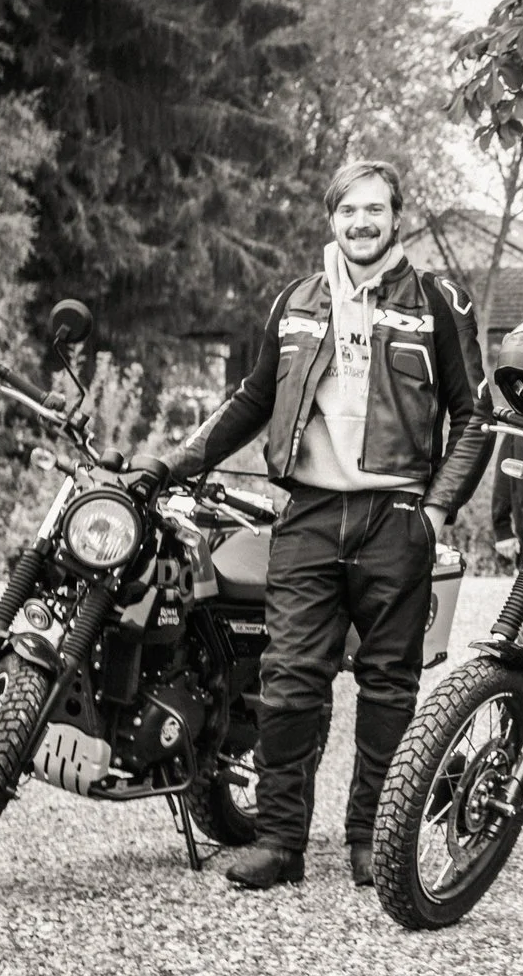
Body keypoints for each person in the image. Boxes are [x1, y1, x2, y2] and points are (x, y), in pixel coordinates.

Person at [140, 160, 489, 891]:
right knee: (290, 679)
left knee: (389, 684)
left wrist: (434, 508)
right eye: (347, 211)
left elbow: (475, 417)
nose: (361, 223)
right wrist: (170, 466)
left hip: (397, 518)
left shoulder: (438, 301)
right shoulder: (295, 301)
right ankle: (279, 842)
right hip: (306, 513)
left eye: (375, 210)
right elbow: (250, 400)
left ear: (397, 216)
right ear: (331, 218)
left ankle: (370, 840)